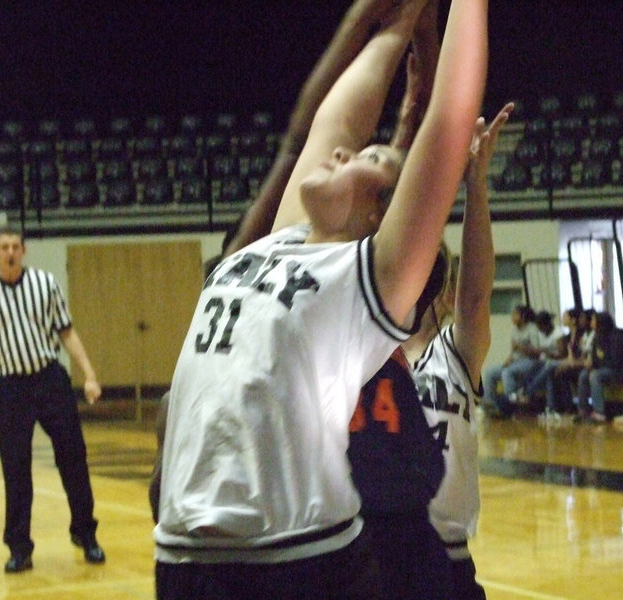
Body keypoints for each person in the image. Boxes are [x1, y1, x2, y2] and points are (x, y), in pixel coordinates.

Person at [154, 0, 490, 596]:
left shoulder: (362, 283)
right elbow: (332, 125)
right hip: (186, 559)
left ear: (376, 214)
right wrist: (401, 21)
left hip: (295, 565)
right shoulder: (278, 244)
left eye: (371, 160)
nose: (344, 153)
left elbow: (449, 117)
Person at [0, 224, 105, 573]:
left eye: (15, 246)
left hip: (50, 379)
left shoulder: (45, 284)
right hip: (11, 389)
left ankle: (86, 534)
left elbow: (67, 332)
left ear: (23, 250)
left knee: (74, 458)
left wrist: (88, 374)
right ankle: (19, 548)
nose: (10, 252)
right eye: (4, 247)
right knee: (15, 470)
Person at [396, 101, 512, 600]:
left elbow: (476, 295)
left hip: (448, 556)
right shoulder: (364, 352)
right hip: (382, 552)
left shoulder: (455, 352)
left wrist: (475, 185)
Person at [573, 311, 623, 423]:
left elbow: (615, 362)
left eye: (594, 320)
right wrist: (591, 364)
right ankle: (583, 410)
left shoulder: (616, 336)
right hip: (607, 368)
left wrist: (595, 365)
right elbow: (596, 358)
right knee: (584, 374)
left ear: (601, 322)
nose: (591, 323)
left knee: (595, 375)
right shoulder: (597, 337)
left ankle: (599, 413)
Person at [481, 304, 540, 417]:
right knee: (491, 372)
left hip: (530, 362)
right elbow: (514, 351)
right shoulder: (514, 330)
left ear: (523, 316)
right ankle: (491, 406)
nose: (512, 317)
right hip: (516, 362)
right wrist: (508, 360)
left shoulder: (532, 328)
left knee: (507, 372)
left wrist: (520, 347)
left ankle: (512, 405)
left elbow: (537, 353)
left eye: (515, 314)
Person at [517, 309, 568, 417]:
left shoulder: (558, 333)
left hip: (559, 362)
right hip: (546, 362)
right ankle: (550, 408)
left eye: (540, 326)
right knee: (536, 367)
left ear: (546, 325)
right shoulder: (541, 334)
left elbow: (563, 354)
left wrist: (548, 353)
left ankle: (527, 392)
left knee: (549, 366)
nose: (539, 329)